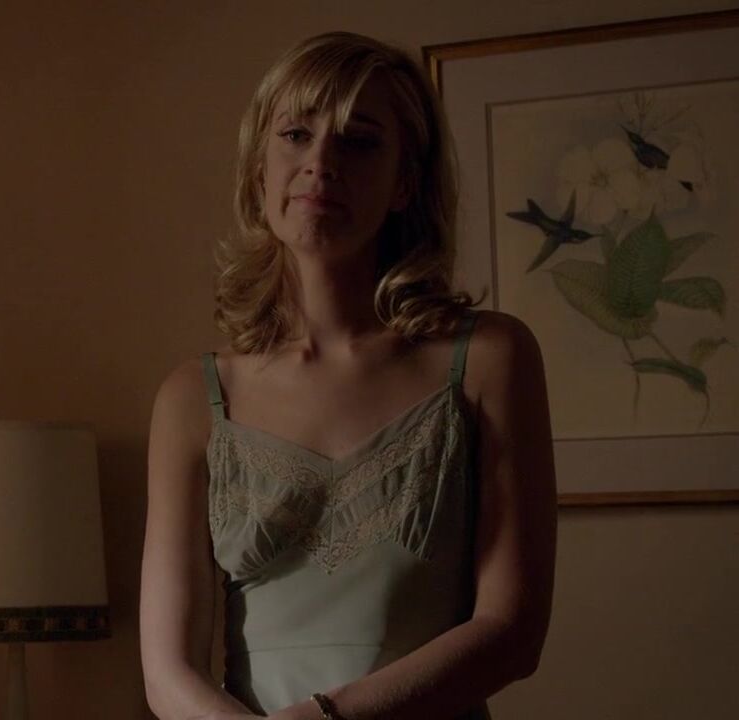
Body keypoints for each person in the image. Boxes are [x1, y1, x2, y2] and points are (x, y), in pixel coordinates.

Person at [139, 31, 556, 720]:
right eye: (295, 135)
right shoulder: (194, 396)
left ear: (405, 182)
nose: (320, 163)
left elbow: (511, 633)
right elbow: (167, 674)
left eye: (358, 142)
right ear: (259, 173)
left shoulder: (488, 358)